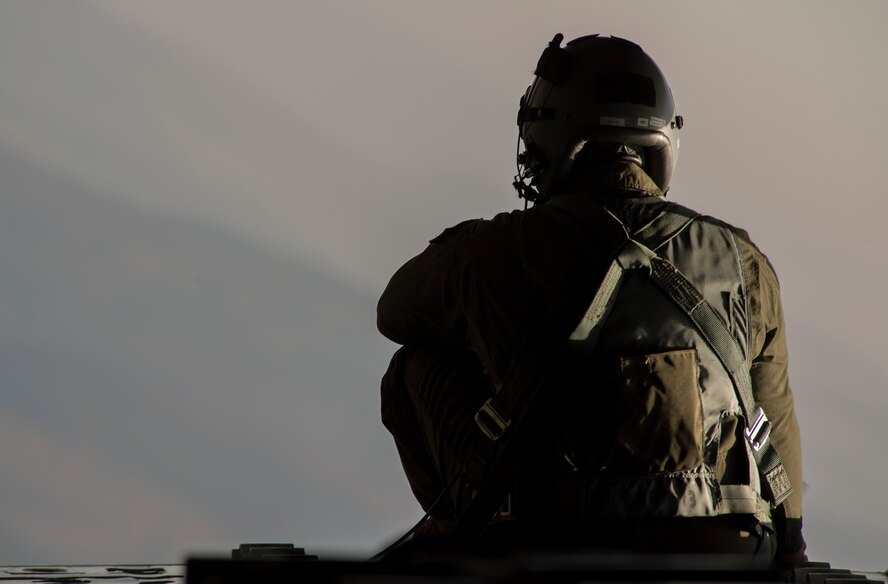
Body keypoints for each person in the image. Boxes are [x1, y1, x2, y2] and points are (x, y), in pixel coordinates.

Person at [377, 34, 805, 567]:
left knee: (413, 365)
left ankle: (466, 542)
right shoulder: (744, 261)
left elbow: (394, 311)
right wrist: (789, 555)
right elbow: (775, 427)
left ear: (548, 138)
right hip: (722, 546)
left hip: (551, 539)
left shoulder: (501, 249)